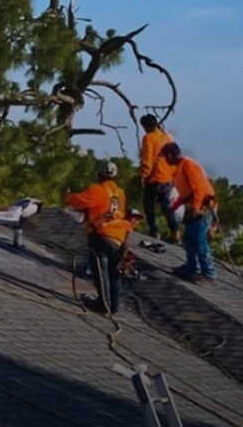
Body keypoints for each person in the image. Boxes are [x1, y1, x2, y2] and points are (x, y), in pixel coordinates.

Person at [66, 161, 135, 314]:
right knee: (115, 273)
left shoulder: (97, 190)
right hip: (118, 239)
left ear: (99, 174)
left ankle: (103, 305)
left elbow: (78, 200)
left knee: (101, 273)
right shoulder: (120, 193)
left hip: (100, 236)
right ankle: (114, 307)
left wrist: (68, 196)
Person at [162, 143, 218, 282]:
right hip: (193, 207)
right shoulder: (179, 169)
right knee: (188, 239)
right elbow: (184, 194)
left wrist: (195, 207)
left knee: (199, 239)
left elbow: (198, 189)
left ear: (170, 155)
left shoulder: (189, 165)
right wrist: (173, 207)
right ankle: (192, 268)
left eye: (165, 157)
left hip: (203, 208)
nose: (166, 161)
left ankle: (208, 272)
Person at [136, 114, 180, 242]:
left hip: (155, 177)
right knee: (166, 205)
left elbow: (148, 160)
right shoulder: (168, 137)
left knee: (148, 205)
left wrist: (143, 176)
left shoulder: (148, 138)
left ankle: (154, 231)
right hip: (169, 177)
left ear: (146, 126)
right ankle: (175, 231)